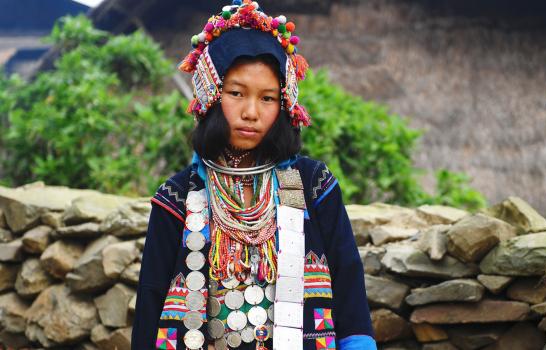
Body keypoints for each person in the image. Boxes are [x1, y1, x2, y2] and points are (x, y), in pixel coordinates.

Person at [131, 1, 375, 349]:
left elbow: (349, 289)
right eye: (236, 93)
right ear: (211, 96)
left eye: (267, 98)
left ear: (284, 104)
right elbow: (151, 300)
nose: (251, 112)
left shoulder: (314, 185)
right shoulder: (177, 197)